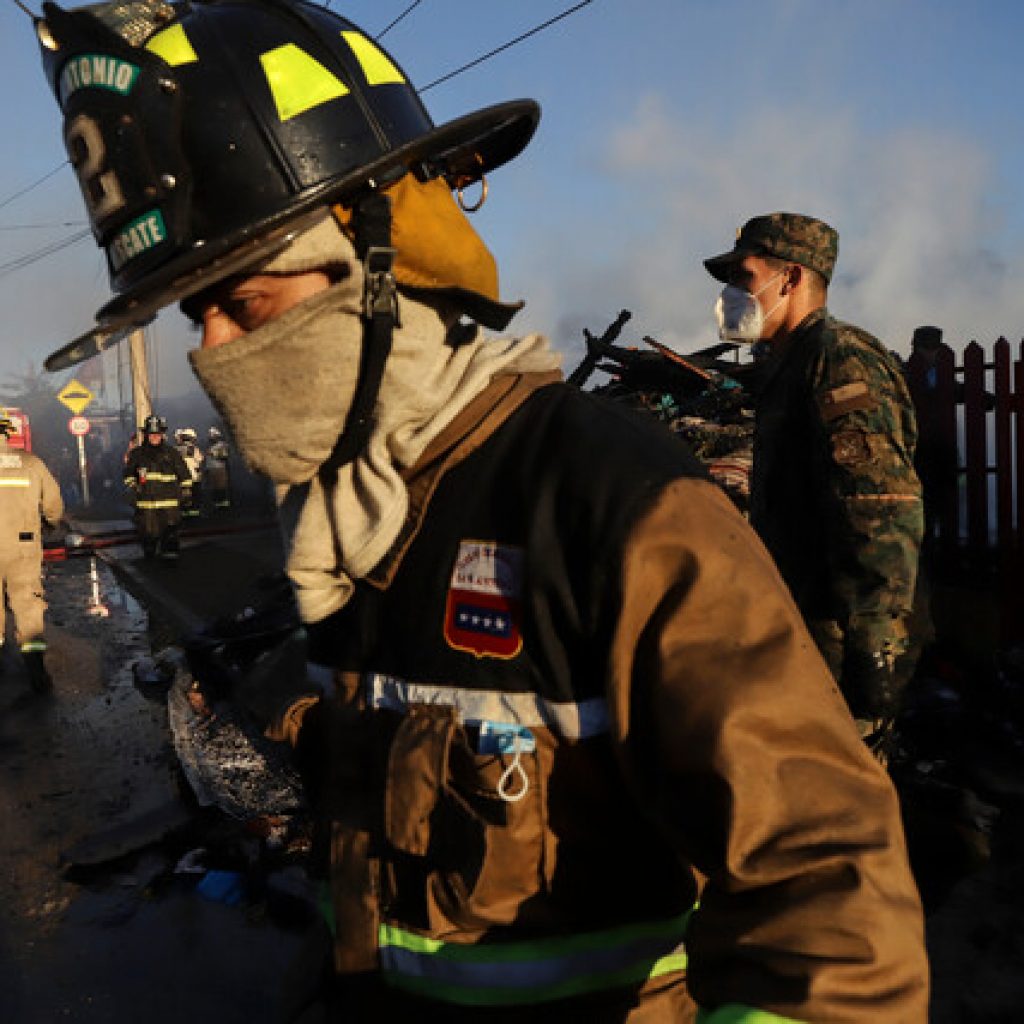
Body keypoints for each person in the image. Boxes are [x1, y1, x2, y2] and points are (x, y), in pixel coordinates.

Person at [38, 3, 928, 1021]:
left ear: (385, 263)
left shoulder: (609, 501)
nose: (215, 350)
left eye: (245, 300)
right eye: (193, 316)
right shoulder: (352, 525)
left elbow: (834, 909)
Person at [704, 213, 924, 751]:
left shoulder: (839, 359)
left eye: (744, 277)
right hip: (802, 631)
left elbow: (879, 508)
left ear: (793, 278)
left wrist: (877, 649)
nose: (732, 295)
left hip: (842, 642)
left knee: (844, 798)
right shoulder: (788, 361)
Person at [0, 408, 64, 692]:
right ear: (8, 433)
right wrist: (51, 524)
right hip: (23, 546)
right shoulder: (31, 463)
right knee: (27, 605)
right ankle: (36, 670)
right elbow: (53, 505)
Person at [123, 414, 191, 562]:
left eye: (157, 434)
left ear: (162, 435)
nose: (154, 437)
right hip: (146, 502)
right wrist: (133, 486)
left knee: (171, 532)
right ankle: (150, 556)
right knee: (148, 534)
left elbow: (184, 473)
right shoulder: (137, 454)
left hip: (169, 501)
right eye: (151, 434)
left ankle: (170, 562)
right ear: (146, 435)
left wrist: (186, 490)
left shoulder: (171, 453)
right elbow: (128, 474)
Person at [173, 426, 204, 517]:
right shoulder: (194, 449)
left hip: (181, 477)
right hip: (194, 477)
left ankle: (184, 513)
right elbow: (200, 459)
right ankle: (194, 514)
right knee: (195, 495)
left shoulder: (176, 449)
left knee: (183, 496)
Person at [204, 426, 232, 511]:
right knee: (214, 489)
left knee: (221, 488)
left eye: (212, 436)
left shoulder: (222, 445)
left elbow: (224, 455)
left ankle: (224, 507)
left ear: (217, 436)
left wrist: (213, 453)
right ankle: (217, 506)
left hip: (219, 470)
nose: (210, 438)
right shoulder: (211, 446)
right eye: (210, 436)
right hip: (212, 470)